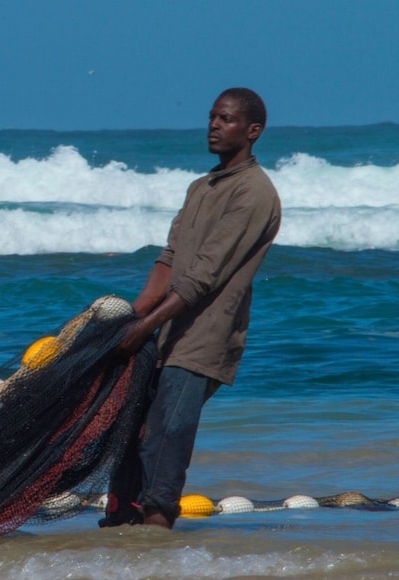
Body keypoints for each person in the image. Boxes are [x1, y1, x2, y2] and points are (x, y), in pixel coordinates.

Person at [103, 87, 282, 529]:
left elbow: (205, 274)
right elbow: (170, 259)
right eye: (212, 118)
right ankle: (119, 534)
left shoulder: (255, 193)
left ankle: (157, 536)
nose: (214, 126)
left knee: (166, 437)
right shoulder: (200, 187)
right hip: (163, 331)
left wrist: (145, 327)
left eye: (226, 119)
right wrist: (132, 316)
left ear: (253, 130)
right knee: (132, 434)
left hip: (203, 336)